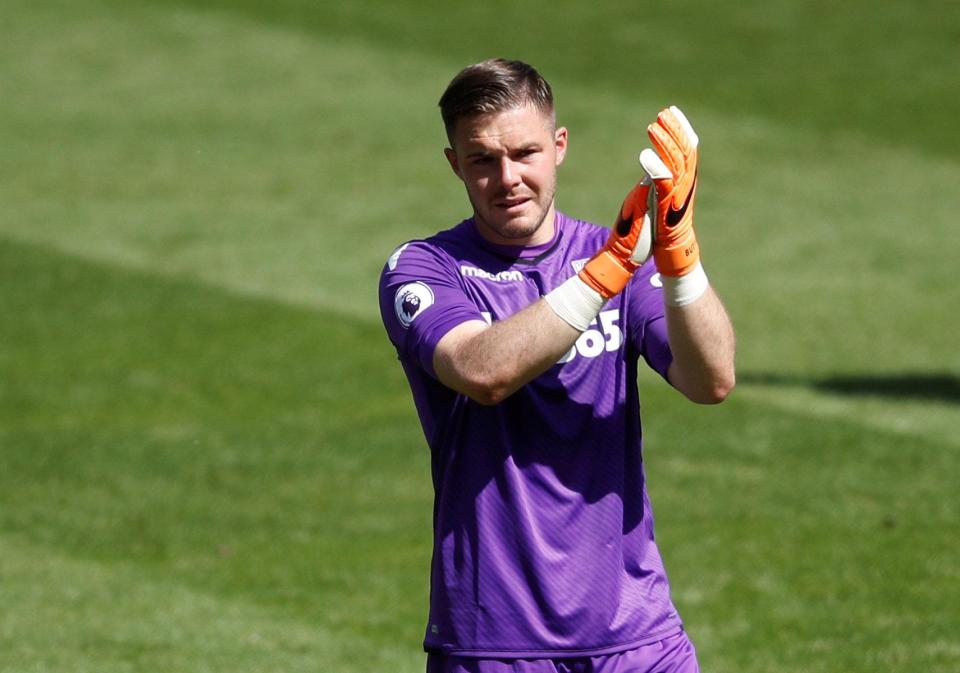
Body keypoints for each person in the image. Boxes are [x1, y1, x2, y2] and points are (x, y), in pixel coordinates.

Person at [378, 58, 735, 673]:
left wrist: (681, 261)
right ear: (454, 163)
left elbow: (711, 380)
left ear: (559, 145)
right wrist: (606, 274)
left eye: (525, 153)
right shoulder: (422, 269)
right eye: (483, 160)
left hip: (638, 636)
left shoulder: (618, 257)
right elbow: (481, 369)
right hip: (497, 643)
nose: (508, 178)